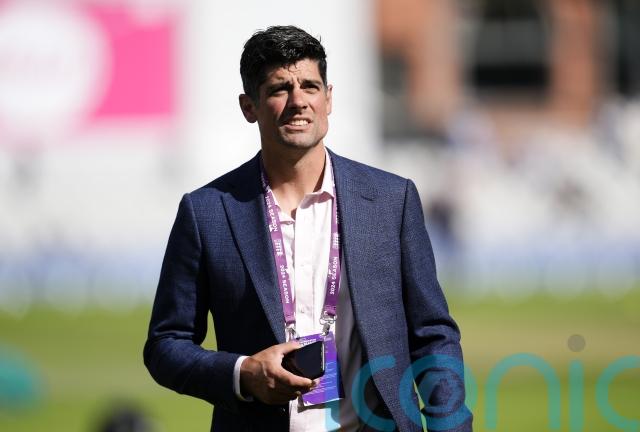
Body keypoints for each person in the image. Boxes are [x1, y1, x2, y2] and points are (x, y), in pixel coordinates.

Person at [144, 25, 472, 432]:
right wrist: (244, 373)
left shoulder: (392, 200)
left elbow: (433, 334)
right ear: (249, 106)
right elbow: (166, 345)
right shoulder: (207, 212)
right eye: (280, 89)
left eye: (310, 87)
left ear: (328, 98)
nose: (298, 101)